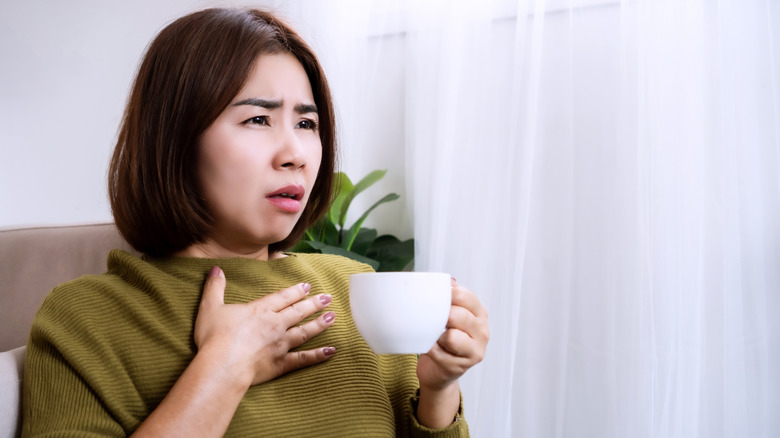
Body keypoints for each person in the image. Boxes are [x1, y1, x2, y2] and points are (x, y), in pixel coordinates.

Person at [22, 8, 489, 437]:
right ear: (176, 139)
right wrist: (226, 366)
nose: (295, 155)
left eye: (307, 125)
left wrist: (439, 388)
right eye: (259, 119)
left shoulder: (355, 293)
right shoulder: (85, 321)